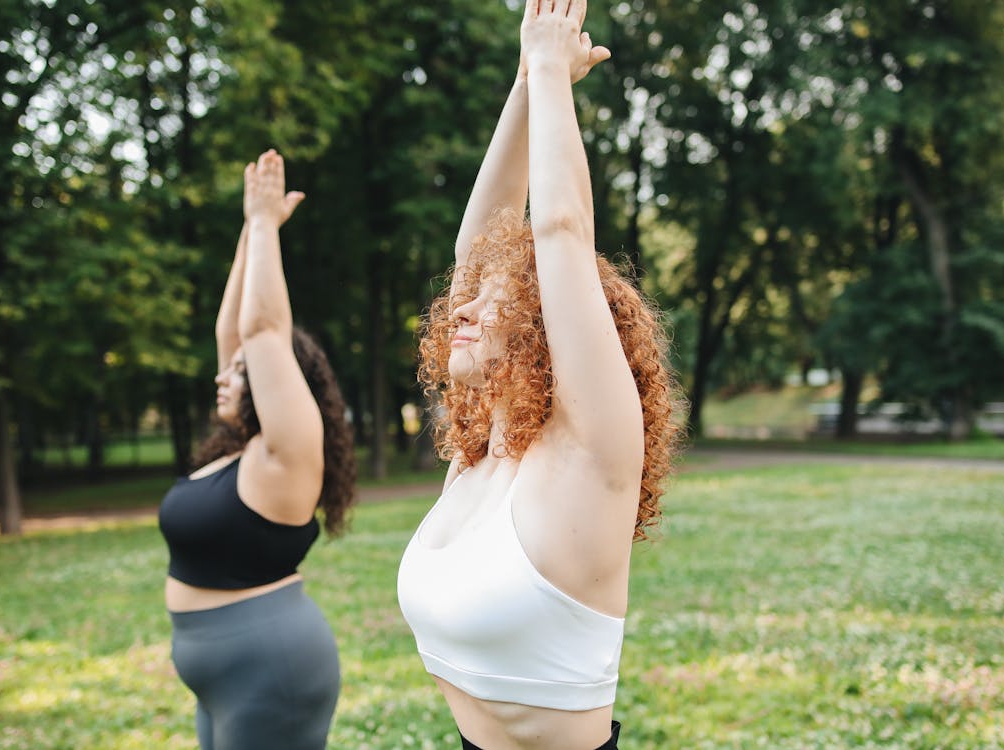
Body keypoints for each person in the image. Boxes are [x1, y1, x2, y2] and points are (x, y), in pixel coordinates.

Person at [397, 2, 682, 749]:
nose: (461, 308)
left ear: (546, 334)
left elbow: (560, 231)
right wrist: (525, 81)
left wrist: (554, 70)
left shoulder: (589, 456)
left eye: (495, 304)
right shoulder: (480, 452)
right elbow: (478, 240)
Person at [158, 149, 356, 750]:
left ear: (279, 384)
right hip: (217, 673)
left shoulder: (287, 454)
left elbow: (261, 330)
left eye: (241, 371)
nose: (224, 374)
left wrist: (267, 225)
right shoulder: (237, 450)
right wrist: (252, 229)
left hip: (269, 670)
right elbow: (233, 330)